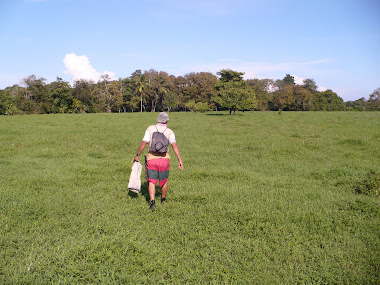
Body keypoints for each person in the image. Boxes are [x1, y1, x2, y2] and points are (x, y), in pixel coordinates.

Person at [133, 112, 183, 211]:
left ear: (157, 120)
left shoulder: (150, 129)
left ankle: (152, 202)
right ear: (167, 121)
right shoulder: (169, 131)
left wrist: (137, 155)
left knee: (151, 181)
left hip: (151, 159)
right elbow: (174, 145)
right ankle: (163, 199)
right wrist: (179, 160)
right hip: (164, 160)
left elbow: (144, 142)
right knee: (164, 181)